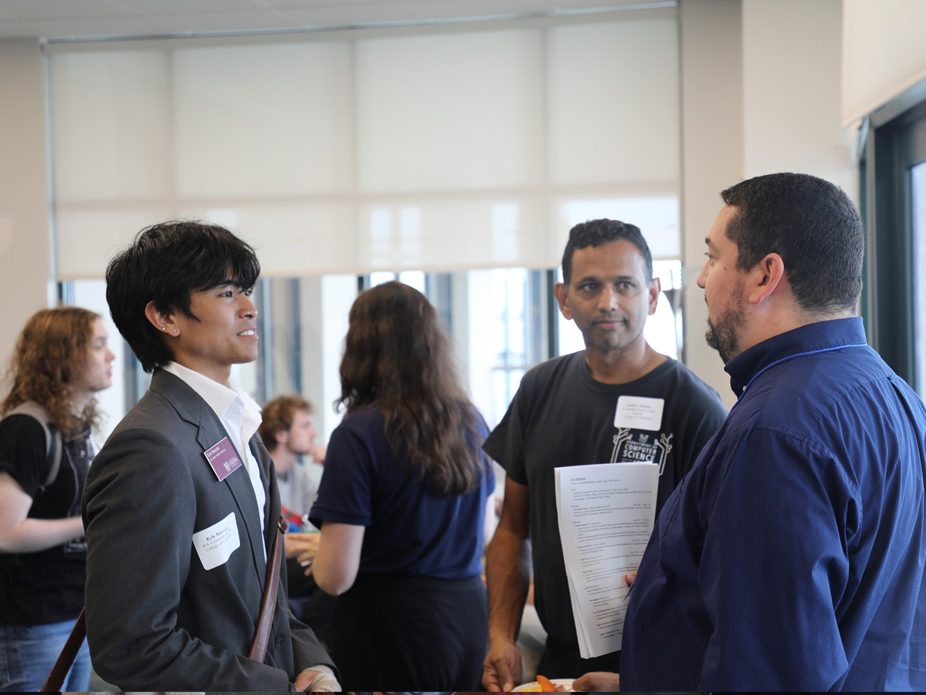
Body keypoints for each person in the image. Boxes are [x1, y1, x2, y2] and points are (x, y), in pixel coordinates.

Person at [621, 172, 926, 691]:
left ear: (765, 276)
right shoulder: (896, 394)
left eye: (713, 256)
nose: (700, 278)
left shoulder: (774, 431)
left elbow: (771, 672)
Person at [81, 221, 338, 692]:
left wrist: (313, 665)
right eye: (225, 293)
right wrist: (273, 685)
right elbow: (131, 644)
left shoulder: (238, 426)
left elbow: (264, 597)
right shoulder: (151, 447)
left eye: (245, 290)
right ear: (165, 316)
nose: (249, 308)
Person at [482, 219, 728, 691]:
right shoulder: (538, 389)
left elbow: (719, 563)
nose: (607, 301)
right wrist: (500, 635)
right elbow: (513, 527)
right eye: (590, 286)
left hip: (657, 666)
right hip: (556, 664)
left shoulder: (695, 408)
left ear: (653, 295)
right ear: (563, 298)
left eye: (625, 285)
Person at [309, 281, 494, 691]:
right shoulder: (472, 421)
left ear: (360, 346)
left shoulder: (358, 433)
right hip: (466, 622)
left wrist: (315, 553)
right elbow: (480, 534)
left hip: (389, 630)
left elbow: (335, 577)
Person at [0, 307, 114, 692]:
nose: (111, 356)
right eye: (99, 345)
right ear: (64, 355)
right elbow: (6, 532)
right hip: (33, 620)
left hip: (74, 613)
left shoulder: (76, 427)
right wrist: (93, 520)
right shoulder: (26, 428)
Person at [259, 394, 334, 645]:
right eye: (305, 426)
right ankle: (311, 643)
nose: (313, 434)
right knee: (332, 569)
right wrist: (281, 546)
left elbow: (332, 517)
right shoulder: (258, 474)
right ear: (280, 433)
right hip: (269, 566)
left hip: (294, 562)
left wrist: (334, 468)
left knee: (338, 566)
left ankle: (315, 643)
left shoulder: (298, 476)